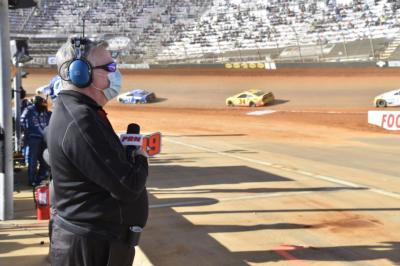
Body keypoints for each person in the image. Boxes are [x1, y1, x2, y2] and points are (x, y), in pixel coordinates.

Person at [47, 38, 149, 266]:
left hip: (93, 244)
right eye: (110, 68)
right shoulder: (81, 120)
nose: (115, 72)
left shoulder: (77, 112)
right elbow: (129, 186)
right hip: (92, 250)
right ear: (80, 73)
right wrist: (140, 157)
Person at [20, 95, 51, 186]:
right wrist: (26, 131)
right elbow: (21, 120)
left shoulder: (44, 110)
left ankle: (40, 177)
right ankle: (31, 180)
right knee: (32, 160)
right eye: (42, 104)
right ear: (37, 103)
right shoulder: (29, 109)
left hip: (44, 138)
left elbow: (47, 121)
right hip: (33, 138)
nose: (44, 106)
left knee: (45, 159)